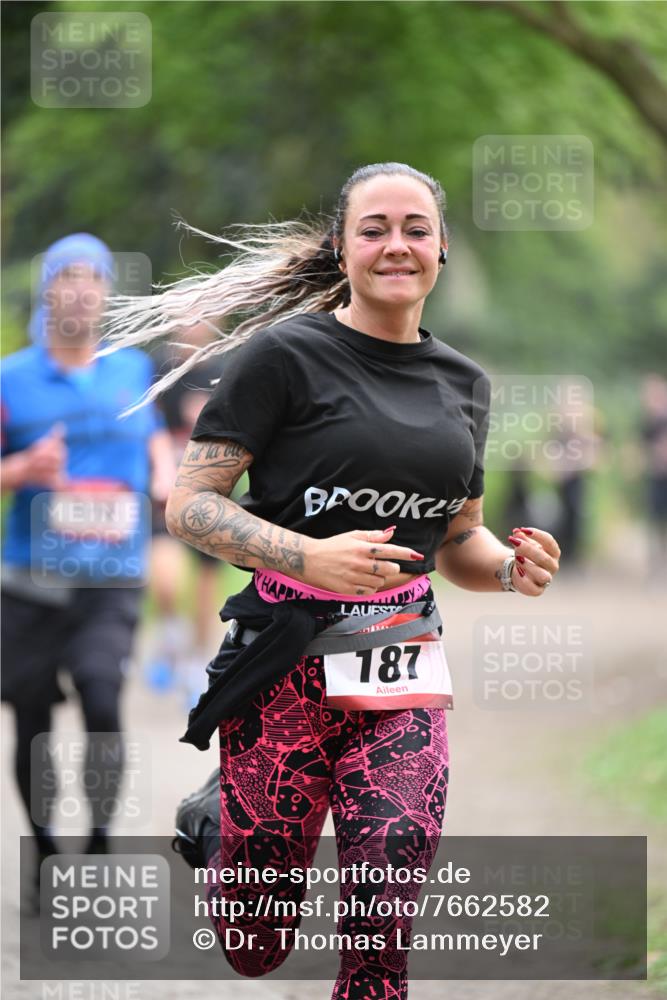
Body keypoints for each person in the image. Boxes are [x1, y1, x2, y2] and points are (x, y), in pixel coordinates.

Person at [103, 163, 560, 998]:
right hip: (280, 668)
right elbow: (189, 506)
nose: (397, 245)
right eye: (374, 228)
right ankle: (218, 837)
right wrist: (304, 556)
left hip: (401, 673)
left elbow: (458, 536)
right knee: (254, 942)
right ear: (343, 249)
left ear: (442, 248)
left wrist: (504, 566)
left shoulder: (463, 383)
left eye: (415, 229)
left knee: (384, 910)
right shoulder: (282, 357)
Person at [0, 234, 174, 900]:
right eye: (65, 277)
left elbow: (155, 435)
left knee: (103, 696)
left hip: (111, 577)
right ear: (47, 291)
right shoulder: (11, 379)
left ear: (106, 293)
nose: (78, 289)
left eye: (91, 278)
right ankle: (45, 846)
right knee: (33, 719)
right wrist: (20, 470)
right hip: (29, 581)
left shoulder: (132, 370)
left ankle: (98, 841)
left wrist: (162, 470)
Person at [144, 322, 227, 703]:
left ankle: (195, 662)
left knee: (206, 586)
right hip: (165, 492)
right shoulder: (159, 368)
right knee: (165, 580)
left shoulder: (226, 372)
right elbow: (145, 425)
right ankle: (169, 632)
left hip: (213, 494)